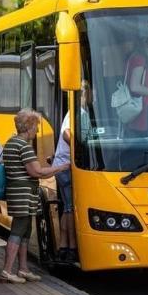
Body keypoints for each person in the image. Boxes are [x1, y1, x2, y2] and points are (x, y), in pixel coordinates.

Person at [1, 109, 69, 283]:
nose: (37, 131)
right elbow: (37, 172)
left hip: (20, 192)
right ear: (29, 126)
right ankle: (8, 270)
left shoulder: (11, 142)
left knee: (25, 231)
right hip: (23, 193)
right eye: (36, 126)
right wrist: (61, 166)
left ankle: (23, 268)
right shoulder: (24, 146)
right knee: (18, 230)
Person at [52, 82, 94, 264]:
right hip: (66, 166)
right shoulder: (77, 112)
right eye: (92, 92)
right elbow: (67, 133)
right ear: (86, 93)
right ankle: (71, 248)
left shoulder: (78, 112)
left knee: (68, 207)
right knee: (70, 208)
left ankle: (64, 246)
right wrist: (82, 148)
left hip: (63, 165)